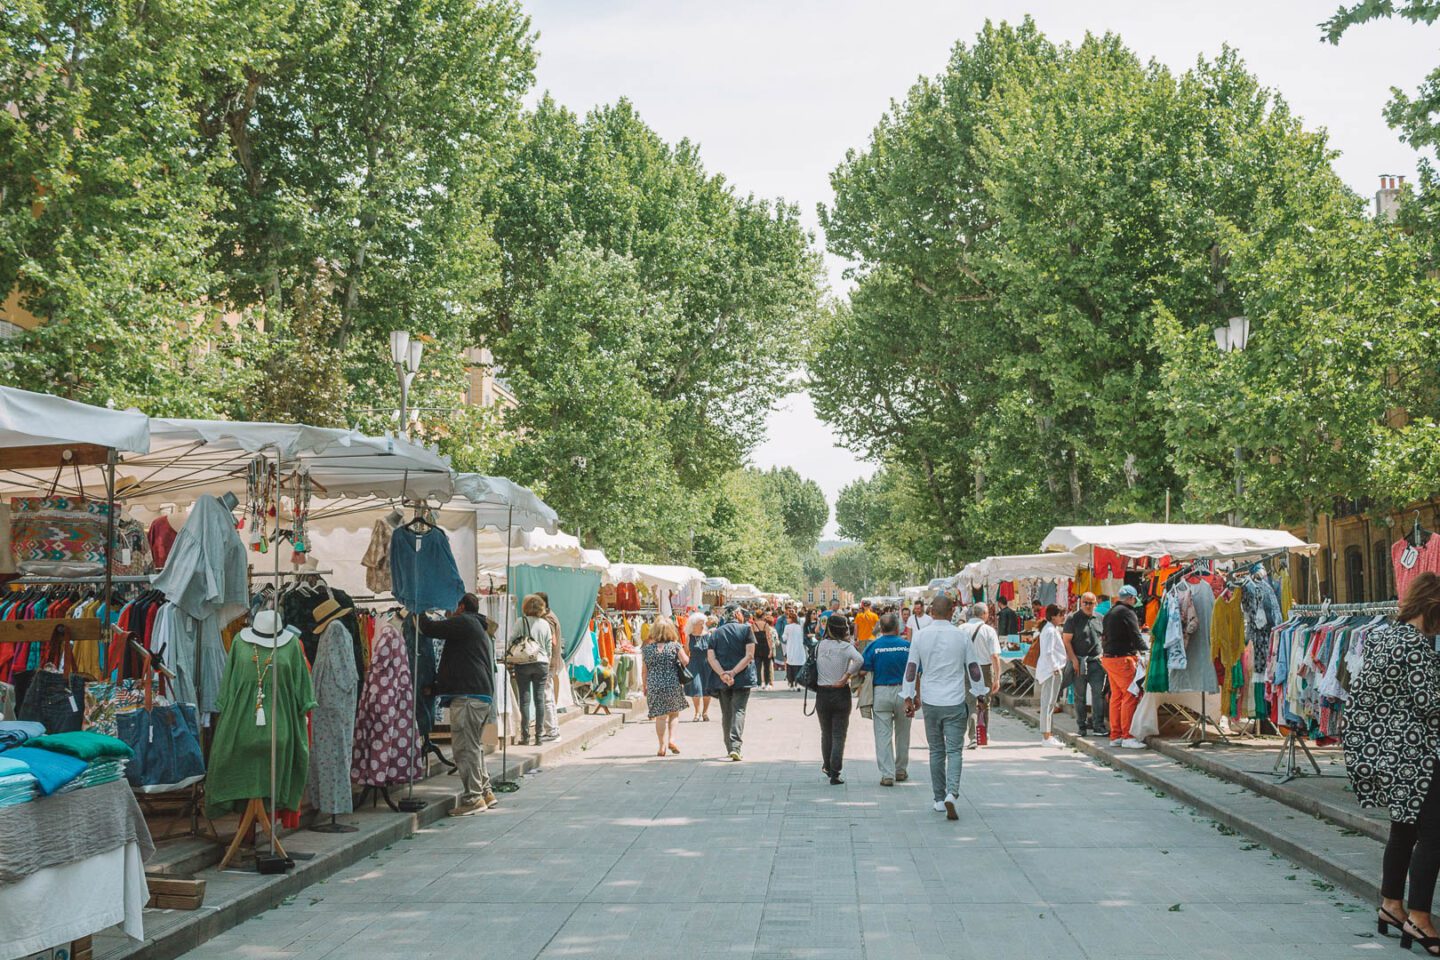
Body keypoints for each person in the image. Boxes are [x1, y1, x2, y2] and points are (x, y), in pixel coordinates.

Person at [1344, 571, 1440, 952]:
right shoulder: (1415, 646)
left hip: (1380, 753)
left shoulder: (1382, 635)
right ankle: (1419, 918)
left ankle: (1390, 905)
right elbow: (1431, 706)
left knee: (1403, 829)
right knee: (1434, 834)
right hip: (1412, 754)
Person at [902, 594, 990, 820]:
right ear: (952, 611)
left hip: (931, 701)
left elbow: (911, 668)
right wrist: (980, 694)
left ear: (931, 612)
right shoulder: (960, 637)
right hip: (955, 700)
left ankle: (939, 799)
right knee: (954, 750)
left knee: (936, 751)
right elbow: (973, 668)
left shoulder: (920, 636)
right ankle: (952, 792)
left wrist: (909, 697)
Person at [420, 593, 497, 816]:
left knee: (464, 749)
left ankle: (473, 798)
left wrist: (418, 609)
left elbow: (430, 629)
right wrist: (436, 688)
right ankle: (485, 791)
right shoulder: (475, 626)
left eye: (449, 608)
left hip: (468, 697)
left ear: (460, 607)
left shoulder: (464, 622)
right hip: (477, 695)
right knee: (474, 747)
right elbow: (459, 664)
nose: (446, 613)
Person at [859, 611, 911, 785]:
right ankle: (901, 770)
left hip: (881, 691)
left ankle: (888, 774)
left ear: (880, 628)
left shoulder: (874, 646)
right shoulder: (907, 646)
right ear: (897, 627)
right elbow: (916, 671)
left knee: (883, 735)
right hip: (904, 692)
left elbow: (863, 669)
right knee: (903, 733)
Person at [815, 614, 864, 784]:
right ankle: (835, 772)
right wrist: (846, 677)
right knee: (839, 734)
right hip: (840, 692)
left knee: (826, 732)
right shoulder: (846, 646)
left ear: (828, 628)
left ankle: (827, 766)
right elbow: (859, 659)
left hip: (822, 693)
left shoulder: (819, 646)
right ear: (844, 629)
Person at [706, 606, 756, 760]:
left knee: (726, 713)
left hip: (722, 680)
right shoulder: (746, 630)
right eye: (742, 613)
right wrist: (733, 672)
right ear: (736, 614)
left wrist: (722, 674)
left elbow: (711, 658)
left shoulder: (715, 633)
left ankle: (729, 747)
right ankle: (735, 746)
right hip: (742, 677)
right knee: (739, 710)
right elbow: (749, 655)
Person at [1100, 585, 1146, 749]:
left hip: (1108, 658)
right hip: (1122, 659)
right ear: (1131, 598)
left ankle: (1116, 735)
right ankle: (1128, 736)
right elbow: (1135, 635)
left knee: (1116, 697)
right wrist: (1146, 651)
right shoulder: (1128, 612)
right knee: (1130, 696)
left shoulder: (1110, 613)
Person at [642, 619, 691, 758]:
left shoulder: (647, 649)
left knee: (660, 717)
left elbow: (644, 671)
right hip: (672, 684)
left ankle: (661, 746)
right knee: (674, 713)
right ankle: (671, 740)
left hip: (654, 685)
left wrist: (644, 686)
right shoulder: (675, 646)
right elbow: (686, 661)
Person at [1061, 592, 1108, 737]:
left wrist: (1104, 655)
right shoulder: (1073, 618)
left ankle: (1098, 725)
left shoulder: (1100, 618)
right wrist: (1074, 660)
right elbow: (1067, 641)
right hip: (1079, 661)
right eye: (1085, 603)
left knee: (1098, 695)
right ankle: (1081, 725)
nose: (1088, 606)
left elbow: (1105, 637)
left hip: (1096, 662)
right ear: (1081, 603)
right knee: (1079, 696)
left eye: (1091, 603)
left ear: (1096, 604)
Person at [510, 594, 553, 746]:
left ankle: (525, 736)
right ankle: (539, 737)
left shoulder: (520, 621)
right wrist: (547, 660)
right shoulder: (545, 624)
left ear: (525, 607)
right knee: (539, 699)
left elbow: (512, 640)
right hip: (542, 663)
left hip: (523, 663)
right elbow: (549, 646)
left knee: (525, 699)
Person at [962, 602, 1002, 748]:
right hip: (984, 668)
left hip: (967, 668)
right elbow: (995, 656)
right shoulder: (989, 631)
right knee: (984, 702)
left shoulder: (961, 629)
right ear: (984, 614)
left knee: (970, 702)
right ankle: (982, 733)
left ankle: (973, 737)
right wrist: (997, 677)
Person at [1035, 603, 1068, 746]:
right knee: (1048, 703)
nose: (1063, 617)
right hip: (1050, 671)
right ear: (1053, 616)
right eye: (1061, 614)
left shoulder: (1050, 629)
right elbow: (1048, 652)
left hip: (1052, 669)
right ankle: (1046, 736)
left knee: (1050, 703)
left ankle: (1049, 734)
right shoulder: (1049, 630)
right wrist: (1055, 667)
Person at [536, 592, 563, 743]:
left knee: (546, 696)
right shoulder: (551, 616)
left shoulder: (548, 619)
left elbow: (552, 642)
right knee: (549, 695)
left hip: (548, 662)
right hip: (551, 661)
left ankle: (552, 730)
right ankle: (553, 729)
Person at [783, 611, 806, 689]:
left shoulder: (787, 627)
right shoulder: (800, 627)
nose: (787, 619)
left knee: (790, 667)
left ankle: (791, 683)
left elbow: (784, 637)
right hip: (799, 649)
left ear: (791, 619)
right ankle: (798, 683)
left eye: (788, 618)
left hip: (791, 649)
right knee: (799, 666)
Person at [752, 612, 775, 690]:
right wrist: (771, 649)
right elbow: (769, 638)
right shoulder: (766, 625)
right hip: (765, 647)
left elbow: (752, 639)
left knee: (757, 667)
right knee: (767, 666)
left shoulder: (753, 625)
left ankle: (758, 684)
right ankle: (767, 684)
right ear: (762, 616)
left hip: (757, 647)